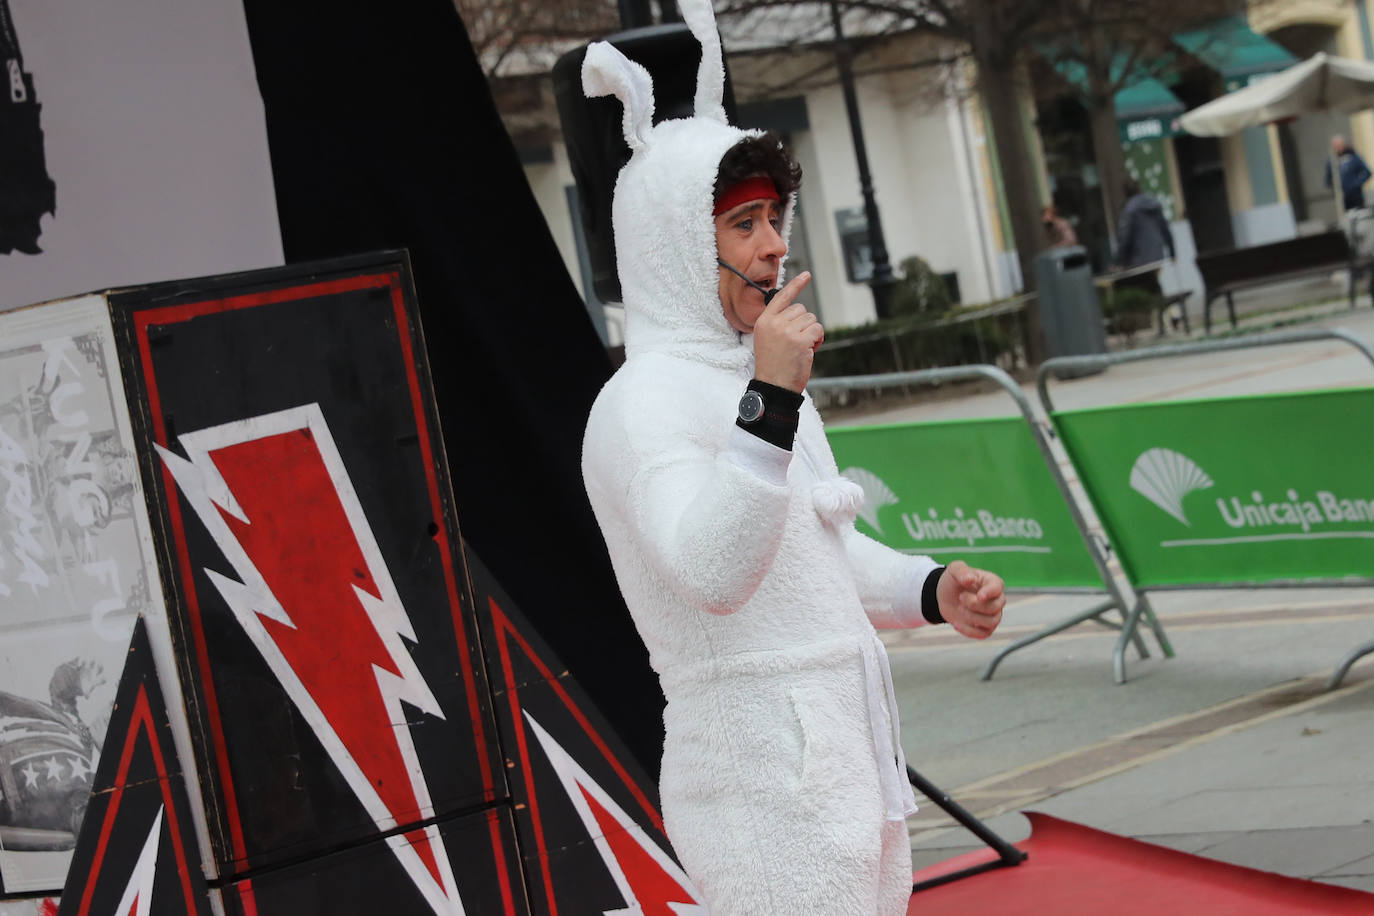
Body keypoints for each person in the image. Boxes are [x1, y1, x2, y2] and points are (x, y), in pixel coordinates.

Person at [579, 5, 1005, 913]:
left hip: (846, 767)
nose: (775, 244)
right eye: (743, 224)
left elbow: (814, 555)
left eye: (774, 217)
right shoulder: (638, 403)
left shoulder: (753, 377)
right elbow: (713, 569)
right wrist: (771, 401)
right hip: (760, 788)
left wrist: (932, 589)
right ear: (675, 246)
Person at [1115, 179, 1174, 270]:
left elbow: (1125, 237)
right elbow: (1165, 229)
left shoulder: (1129, 210)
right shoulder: (1154, 204)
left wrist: (1119, 261)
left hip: (1138, 260)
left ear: (1125, 192)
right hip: (1157, 255)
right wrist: (1172, 251)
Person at [1325, 135, 1371, 212]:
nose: (1338, 148)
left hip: (1356, 196)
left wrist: (1356, 184)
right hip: (1342, 198)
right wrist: (1333, 185)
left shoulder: (1353, 157)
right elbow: (1328, 180)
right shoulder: (1332, 162)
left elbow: (1367, 172)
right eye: (1336, 146)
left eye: (1340, 145)